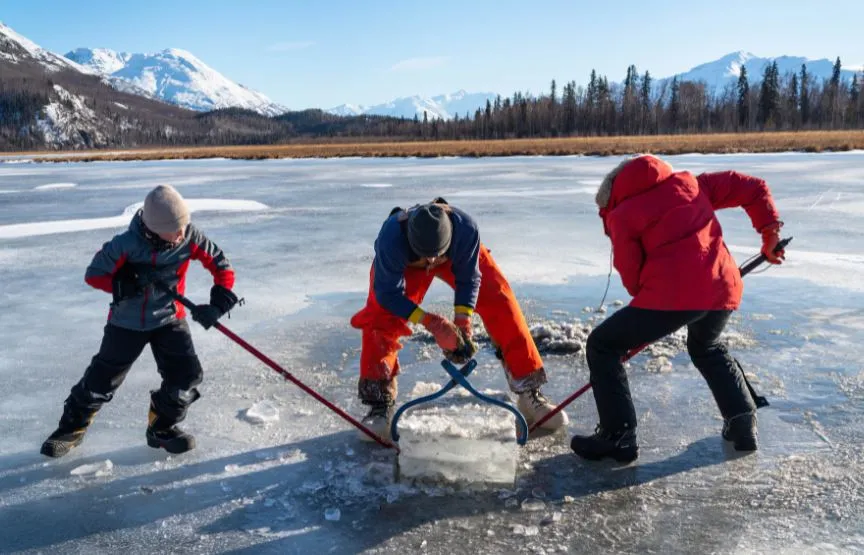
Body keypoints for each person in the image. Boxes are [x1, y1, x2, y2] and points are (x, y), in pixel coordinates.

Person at [570, 154, 784, 463]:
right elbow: (752, 187)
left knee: (603, 345)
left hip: (673, 296)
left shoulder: (621, 214)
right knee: (706, 345)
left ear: (610, 198)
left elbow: (631, 274)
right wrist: (770, 234)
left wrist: (652, 306)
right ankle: (741, 424)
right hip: (723, 286)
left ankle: (618, 436)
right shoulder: (693, 185)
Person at [41, 185, 239, 458]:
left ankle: (161, 428)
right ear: (155, 228)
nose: (181, 233)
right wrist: (123, 284)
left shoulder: (190, 237)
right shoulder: (126, 244)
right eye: (175, 228)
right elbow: (94, 274)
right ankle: (69, 431)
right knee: (101, 381)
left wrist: (217, 304)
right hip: (127, 323)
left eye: (184, 225)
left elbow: (222, 267)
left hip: (170, 318)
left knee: (187, 378)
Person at [350, 198, 568, 441]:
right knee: (380, 317)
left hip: (455, 254)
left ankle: (529, 391)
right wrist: (431, 322)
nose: (431, 264)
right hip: (406, 266)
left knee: (500, 300)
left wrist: (463, 320)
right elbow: (387, 293)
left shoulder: (465, 229)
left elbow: (470, 278)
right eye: (426, 259)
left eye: (436, 258)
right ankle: (379, 405)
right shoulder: (391, 239)